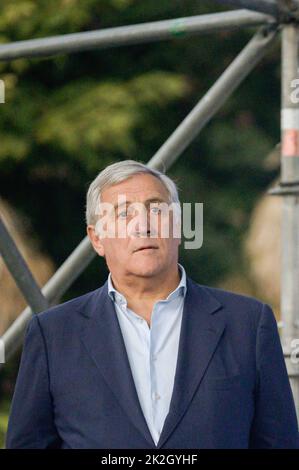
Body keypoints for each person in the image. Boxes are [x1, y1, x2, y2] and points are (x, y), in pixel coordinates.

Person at [5, 160, 299, 449]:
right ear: (97, 239)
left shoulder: (247, 323)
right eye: (123, 214)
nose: (143, 226)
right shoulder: (54, 333)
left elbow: (279, 441)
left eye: (157, 209)